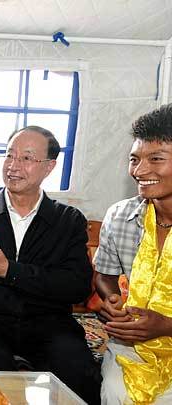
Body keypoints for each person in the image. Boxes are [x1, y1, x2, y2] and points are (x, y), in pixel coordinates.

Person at [0, 126, 100, 404]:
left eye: (26, 158)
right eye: (9, 155)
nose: (13, 166)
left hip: (49, 323)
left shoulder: (68, 220)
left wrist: (8, 270)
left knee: (78, 374)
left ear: (49, 166)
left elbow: (77, 285)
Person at [95, 104, 172, 405]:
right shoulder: (120, 216)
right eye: (134, 159)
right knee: (116, 394)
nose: (139, 171)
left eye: (156, 159)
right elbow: (104, 275)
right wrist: (113, 300)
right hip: (130, 345)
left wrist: (165, 325)